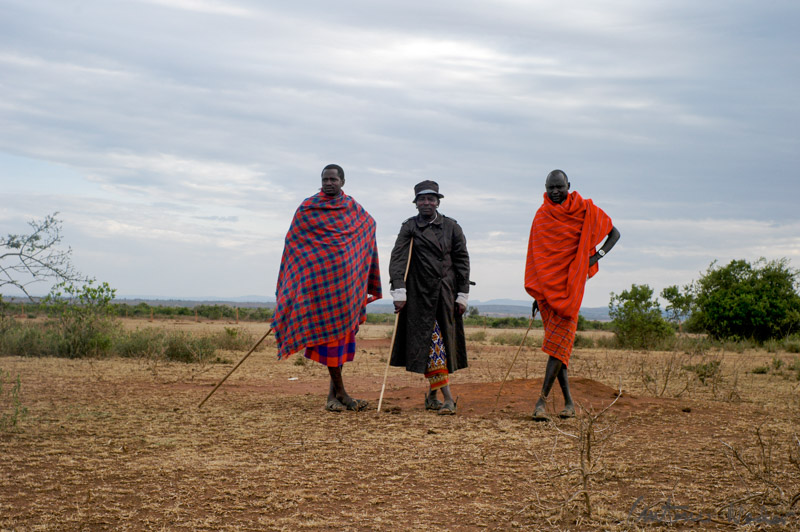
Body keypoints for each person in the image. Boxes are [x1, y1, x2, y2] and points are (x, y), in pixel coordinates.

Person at [272, 164, 382, 412]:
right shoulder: (308, 208)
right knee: (330, 344)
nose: (328, 183)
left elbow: (369, 225)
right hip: (320, 291)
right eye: (325, 179)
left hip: (345, 290)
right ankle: (341, 394)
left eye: (333, 179)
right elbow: (295, 243)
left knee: (341, 343)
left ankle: (334, 397)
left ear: (343, 181)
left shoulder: (353, 209)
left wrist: (355, 261)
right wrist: (302, 273)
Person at [525, 169, 620, 421]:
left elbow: (614, 233)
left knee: (559, 347)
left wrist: (595, 256)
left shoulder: (585, 209)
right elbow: (538, 259)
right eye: (550, 188)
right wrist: (538, 294)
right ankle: (568, 403)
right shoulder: (541, 217)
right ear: (545, 188)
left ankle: (541, 402)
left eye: (559, 187)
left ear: (569, 185)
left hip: (570, 291)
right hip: (547, 295)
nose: (555, 192)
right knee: (560, 348)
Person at [389, 180, 470, 415]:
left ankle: (432, 396)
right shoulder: (410, 227)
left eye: (431, 199)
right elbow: (398, 260)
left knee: (440, 344)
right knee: (434, 344)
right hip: (418, 296)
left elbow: (462, 261)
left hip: (446, 294)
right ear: (416, 203)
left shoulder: (452, 227)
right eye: (422, 199)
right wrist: (399, 291)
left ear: (438, 201)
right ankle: (448, 399)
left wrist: (462, 294)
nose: (426, 203)